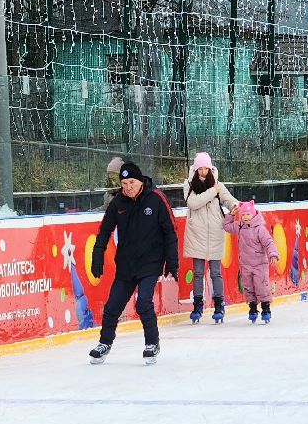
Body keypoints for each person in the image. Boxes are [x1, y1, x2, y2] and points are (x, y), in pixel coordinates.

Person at [88, 160, 179, 365]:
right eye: (124, 183)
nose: (128, 187)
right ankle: (105, 343)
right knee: (112, 307)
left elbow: (170, 232)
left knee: (143, 302)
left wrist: (172, 264)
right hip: (126, 263)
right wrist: (97, 255)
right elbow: (105, 230)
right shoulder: (118, 203)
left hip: (150, 262)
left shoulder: (156, 199)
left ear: (140, 181)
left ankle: (152, 343)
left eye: (131, 182)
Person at [182, 151, 238, 323]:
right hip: (196, 233)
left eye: (206, 168)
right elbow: (193, 203)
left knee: (215, 272)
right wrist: (213, 191)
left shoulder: (218, 185)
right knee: (198, 273)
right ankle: (198, 305)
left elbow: (228, 199)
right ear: (196, 168)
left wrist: (236, 206)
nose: (203, 172)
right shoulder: (189, 184)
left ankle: (219, 304)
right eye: (200, 168)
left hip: (215, 232)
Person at [225, 199, 280, 323]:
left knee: (262, 286)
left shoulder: (260, 229)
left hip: (260, 264)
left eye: (248, 214)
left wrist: (273, 254)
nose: (245, 217)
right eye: (243, 215)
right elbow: (227, 226)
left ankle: (266, 308)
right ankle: (253, 308)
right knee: (248, 287)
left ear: (253, 214)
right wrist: (232, 215)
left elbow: (268, 242)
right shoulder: (240, 226)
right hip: (245, 265)